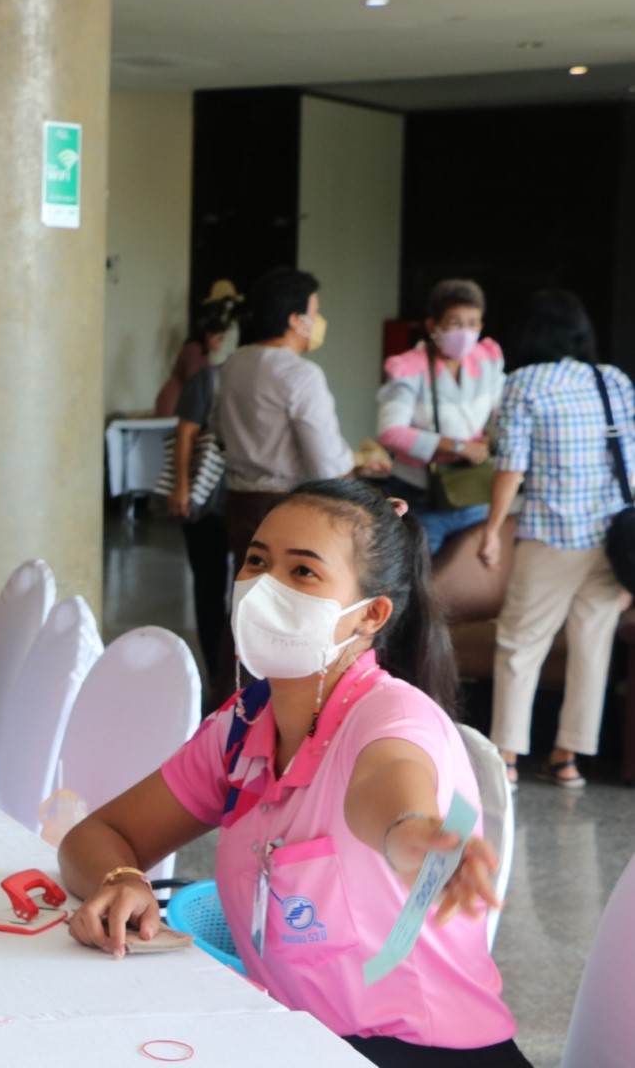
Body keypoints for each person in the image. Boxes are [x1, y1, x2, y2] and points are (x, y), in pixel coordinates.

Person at [59, 479, 529, 1068]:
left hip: (418, 1055)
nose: (264, 588)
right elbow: (95, 836)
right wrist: (122, 879)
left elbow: (385, 781)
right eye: (257, 562)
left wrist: (409, 832)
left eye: (303, 572)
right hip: (296, 1042)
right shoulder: (245, 724)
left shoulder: (391, 716)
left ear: (371, 615)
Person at [479, 290, 635, 789]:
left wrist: (492, 529)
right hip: (614, 536)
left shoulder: (524, 382)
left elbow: (511, 466)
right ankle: (567, 759)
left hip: (553, 533)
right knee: (593, 645)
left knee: (520, 643)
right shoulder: (612, 380)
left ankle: (506, 758)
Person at [210, 267, 388, 570]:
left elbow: (217, 428)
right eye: (315, 312)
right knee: (287, 590)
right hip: (287, 505)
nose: (319, 321)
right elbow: (326, 463)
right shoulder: (301, 374)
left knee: (249, 583)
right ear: (295, 319)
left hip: (239, 501)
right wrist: (356, 467)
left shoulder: (234, 363)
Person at [377, 279, 506, 554]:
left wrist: (492, 438)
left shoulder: (487, 360)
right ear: (432, 326)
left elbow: (504, 411)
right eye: (455, 323)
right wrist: (458, 446)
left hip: (472, 490)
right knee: (417, 572)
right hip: (418, 495)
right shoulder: (409, 368)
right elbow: (390, 432)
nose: (465, 332)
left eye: (473, 323)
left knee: (468, 571)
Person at [167, 362, 231, 691]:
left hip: (242, 499)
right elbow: (185, 432)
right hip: (206, 501)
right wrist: (181, 487)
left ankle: (231, 676)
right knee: (209, 589)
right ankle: (216, 677)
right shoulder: (210, 378)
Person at [154, 279, 239, 417]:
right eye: (218, 339)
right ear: (208, 335)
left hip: (186, 403)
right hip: (175, 403)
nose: (221, 344)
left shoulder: (205, 352)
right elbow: (193, 383)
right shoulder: (194, 350)